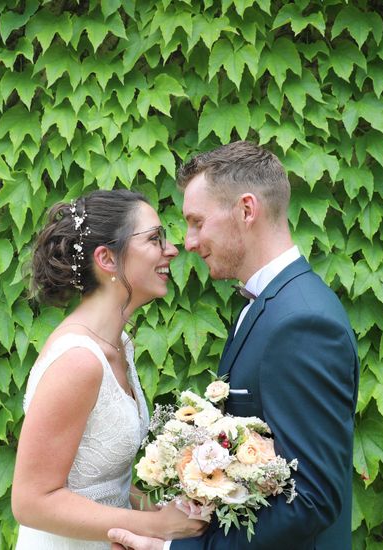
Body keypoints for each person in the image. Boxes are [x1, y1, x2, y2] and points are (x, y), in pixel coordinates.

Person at [108, 142, 360, 549]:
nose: (188, 242)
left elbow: (312, 500)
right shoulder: (272, 305)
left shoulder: (302, 322)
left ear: (246, 210)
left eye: (197, 221)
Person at [11, 189, 207, 549]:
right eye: (154, 239)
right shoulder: (79, 361)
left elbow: (100, 485)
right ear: (107, 258)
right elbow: (31, 502)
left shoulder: (120, 346)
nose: (172, 249)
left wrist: (165, 510)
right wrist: (157, 526)